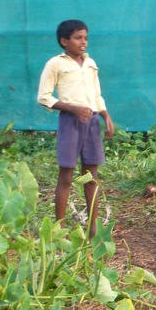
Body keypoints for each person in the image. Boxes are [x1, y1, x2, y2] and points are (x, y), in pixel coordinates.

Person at [37, 19, 114, 239]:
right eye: (78, 38)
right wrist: (72, 109)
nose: (83, 42)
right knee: (66, 177)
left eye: (86, 38)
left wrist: (105, 114)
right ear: (64, 41)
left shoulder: (90, 63)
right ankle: (59, 230)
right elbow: (44, 97)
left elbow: (96, 94)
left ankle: (93, 228)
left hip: (92, 122)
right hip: (70, 122)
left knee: (91, 176)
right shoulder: (56, 64)